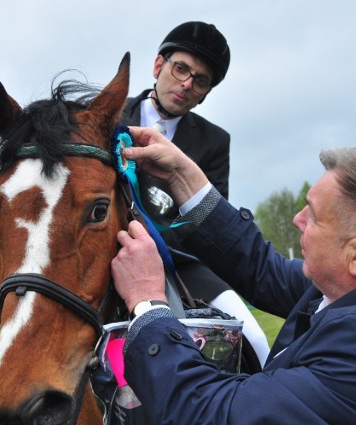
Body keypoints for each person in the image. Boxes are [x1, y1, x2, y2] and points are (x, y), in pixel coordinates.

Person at [111, 128, 356, 424]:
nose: (297, 220)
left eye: (313, 215)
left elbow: (212, 414)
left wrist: (148, 300)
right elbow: (263, 270)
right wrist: (184, 175)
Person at [118, 21, 269, 367]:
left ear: (205, 93)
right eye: (180, 69)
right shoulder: (107, 114)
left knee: (256, 338)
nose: (186, 84)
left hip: (181, 260)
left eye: (200, 81)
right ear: (159, 66)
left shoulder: (215, 142)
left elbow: (212, 219)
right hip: (107, 246)